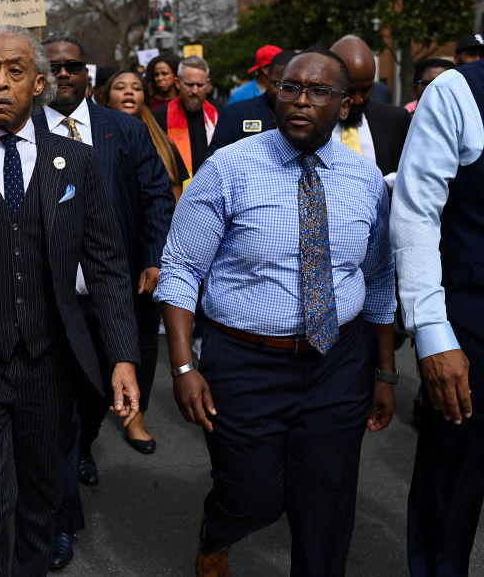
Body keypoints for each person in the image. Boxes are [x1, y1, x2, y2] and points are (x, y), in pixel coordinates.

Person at [155, 48, 396, 576]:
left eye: (318, 92)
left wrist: (384, 371)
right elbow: (180, 270)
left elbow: (377, 280)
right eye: (291, 88)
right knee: (251, 497)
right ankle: (217, 531)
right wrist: (182, 367)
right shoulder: (228, 168)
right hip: (245, 365)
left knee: (325, 509)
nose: (301, 101)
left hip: (338, 363)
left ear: (346, 104)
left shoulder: (366, 182)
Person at [0, 25, 141, 576]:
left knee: (43, 498)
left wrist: (123, 357)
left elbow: (109, 268)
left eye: (14, 71)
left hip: (50, 361)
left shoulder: (78, 164)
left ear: (39, 84)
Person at [34, 34, 173, 569]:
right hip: (54, 301)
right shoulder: (24, 133)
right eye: (55, 66)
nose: (64, 74)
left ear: (88, 76)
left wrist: (155, 257)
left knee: (96, 400)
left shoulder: (127, 130)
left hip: (117, 297)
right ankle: (61, 520)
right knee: (61, 412)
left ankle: (89, 442)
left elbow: (158, 197)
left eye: (72, 66)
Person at [391, 59, 484, 576]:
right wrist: (431, 331)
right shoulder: (456, 92)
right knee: (451, 485)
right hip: (472, 324)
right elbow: (415, 210)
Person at [329, 35, 410, 183]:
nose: (358, 99)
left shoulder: (395, 121)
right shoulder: (307, 123)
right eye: (349, 90)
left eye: (366, 89)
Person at [106, 68, 189, 200]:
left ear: (144, 99)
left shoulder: (165, 146)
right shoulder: (92, 139)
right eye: (120, 87)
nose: (129, 91)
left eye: (137, 88)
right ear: (107, 100)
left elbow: (177, 199)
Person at [208, 50, 296, 155]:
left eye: (291, 87)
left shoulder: (312, 118)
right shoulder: (234, 114)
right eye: (278, 84)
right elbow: (215, 159)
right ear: (267, 80)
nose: (282, 92)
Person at [153, 55, 219, 180]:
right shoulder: (160, 117)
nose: (195, 90)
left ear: (208, 83)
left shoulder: (218, 114)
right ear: (177, 83)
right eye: (189, 84)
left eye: (200, 85)